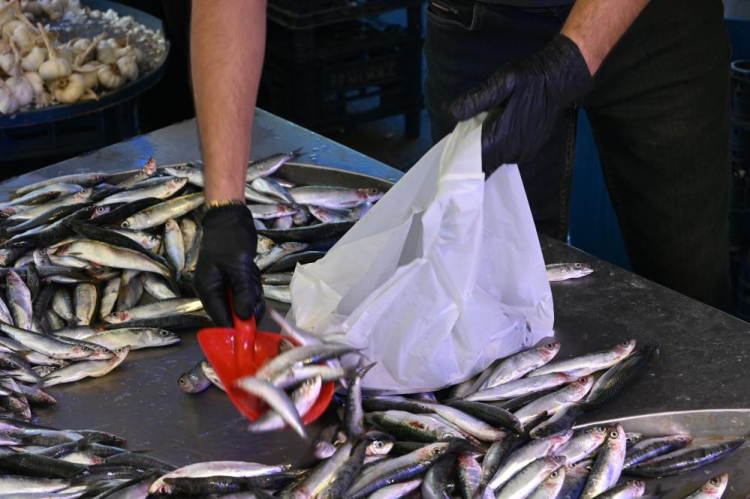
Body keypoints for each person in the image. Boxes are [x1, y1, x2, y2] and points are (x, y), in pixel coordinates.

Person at [191, 0, 732, 327]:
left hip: (655, 21)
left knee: (691, 282)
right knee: (486, 286)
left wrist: (570, 61)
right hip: (481, 22)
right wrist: (224, 204)